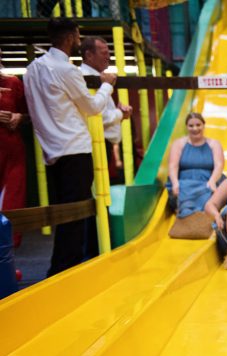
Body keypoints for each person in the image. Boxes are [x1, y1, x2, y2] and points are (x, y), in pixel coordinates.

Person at [24, 17, 116, 276]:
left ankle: (58, 270)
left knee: (64, 217)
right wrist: (107, 84)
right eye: (77, 35)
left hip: (51, 151)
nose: (78, 39)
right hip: (74, 149)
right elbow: (93, 107)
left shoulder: (32, 69)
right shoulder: (66, 70)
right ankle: (68, 273)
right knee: (75, 218)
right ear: (71, 37)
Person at [80, 36, 133, 183]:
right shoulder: (84, 77)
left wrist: (119, 113)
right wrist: (120, 113)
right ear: (89, 55)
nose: (108, 57)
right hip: (93, 144)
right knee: (96, 189)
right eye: (103, 53)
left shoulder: (99, 77)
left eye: (108, 52)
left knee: (101, 191)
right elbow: (97, 115)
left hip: (101, 143)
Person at [165, 112, 224, 218]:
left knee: (211, 194)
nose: (195, 128)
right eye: (191, 125)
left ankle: (204, 213)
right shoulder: (179, 144)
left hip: (207, 181)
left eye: (198, 125)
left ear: (203, 125)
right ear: (186, 127)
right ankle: (187, 213)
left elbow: (219, 165)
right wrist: (175, 183)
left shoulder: (214, 144)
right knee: (185, 199)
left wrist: (212, 181)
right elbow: (173, 166)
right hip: (184, 183)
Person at [0, 48, 28, 248]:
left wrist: (20, 117)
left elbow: (27, 112)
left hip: (11, 151)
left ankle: (7, 257)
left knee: (12, 199)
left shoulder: (13, 82)